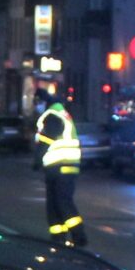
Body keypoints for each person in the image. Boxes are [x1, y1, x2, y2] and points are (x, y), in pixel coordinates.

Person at [34, 89, 85, 246]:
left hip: (60, 165)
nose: (36, 106)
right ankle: (58, 238)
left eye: (37, 103)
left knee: (62, 202)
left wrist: (37, 160)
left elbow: (46, 140)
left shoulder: (53, 116)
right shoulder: (61, 113)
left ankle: (78, 236)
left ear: (43, 101)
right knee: (55, 203)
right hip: (63, 165)